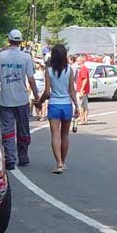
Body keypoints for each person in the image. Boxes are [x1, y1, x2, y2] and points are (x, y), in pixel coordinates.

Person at [0, 29, 39, 170]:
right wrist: (36, 97)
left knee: (8, 130)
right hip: (22, 99)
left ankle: (10, 159)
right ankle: (23, 157)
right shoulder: (26, 57)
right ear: (20, 41)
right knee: (23, 130)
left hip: (6, 100)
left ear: (9, 40)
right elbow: (31, 79)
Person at [39, 44, 79, 174]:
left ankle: (59, 163)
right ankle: (64, 161)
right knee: (65, 135)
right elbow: (72, 90)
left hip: (54, 104)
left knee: (55, 134)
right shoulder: (69, 71)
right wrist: (77, 106)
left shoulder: (49, 71)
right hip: (67, 104)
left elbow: (46, 91)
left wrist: (39, 102)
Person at [75, 55, 90, 126]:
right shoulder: (85, 68)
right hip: (85, 90)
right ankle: (85, 119)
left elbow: (85, 79)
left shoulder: (83, 69)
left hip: (82, 90)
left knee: (80, 105)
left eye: (78, 60)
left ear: (81, 61)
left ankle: (82, 119)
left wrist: (81, 89)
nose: (77, 61)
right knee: (85, 105)